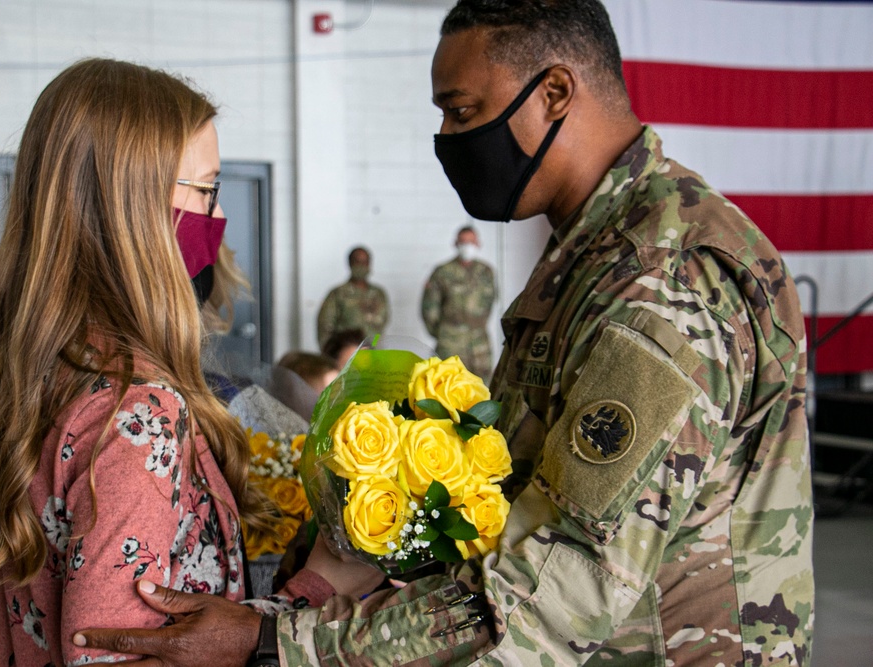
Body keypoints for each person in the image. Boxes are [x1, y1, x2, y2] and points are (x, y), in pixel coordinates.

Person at [75, 1, 815, 665]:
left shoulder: (663, 279)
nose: (449, 139)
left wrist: (277, 642)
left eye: (463, 112)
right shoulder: (590, 257)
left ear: (555, 92)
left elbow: (563, 588)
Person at [0, 58, 380, 667]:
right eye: (206, 190)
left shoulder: (46, 378)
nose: (218, 219)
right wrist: (315, 591)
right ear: (133, 209)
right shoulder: (136, 411)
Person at [421, 225, 497, 378]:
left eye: (471, 241)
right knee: (444, 387)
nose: (467, 246)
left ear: (478, 243)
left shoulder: (486, 271)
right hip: (450, 343)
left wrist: (476, 325)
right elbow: (429, 308)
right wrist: (442, 333)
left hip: (479, 345)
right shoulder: (442, 272)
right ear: (455, 243)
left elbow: (490, 303)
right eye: (463, 242)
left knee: (483, 391)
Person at [316, 247, 390, 348]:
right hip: (346, 355)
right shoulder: (338, 294)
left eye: (365, 262)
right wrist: (332, 354)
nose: (362, 266)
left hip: (373, 353)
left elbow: (382, 326)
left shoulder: (379, 294)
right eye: (358, 262)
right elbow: (325, 327)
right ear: (350, 263)